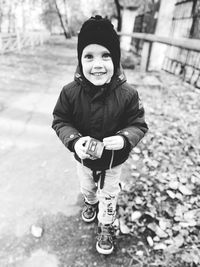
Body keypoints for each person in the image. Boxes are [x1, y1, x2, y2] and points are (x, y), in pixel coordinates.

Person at [52, 15, 148, 255]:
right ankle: (89, 201)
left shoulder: (128, 94)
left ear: (115, 59)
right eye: (89, 56)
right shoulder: (70, 92)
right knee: (87, 188)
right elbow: (61, 120)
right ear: (80, 60)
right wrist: (74, 141)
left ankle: (106, 225)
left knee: (109, 195)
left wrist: (125, 137)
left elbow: (138, 123)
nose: (97, 65)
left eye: (106, 56)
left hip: (113, 162)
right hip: (84, 160)